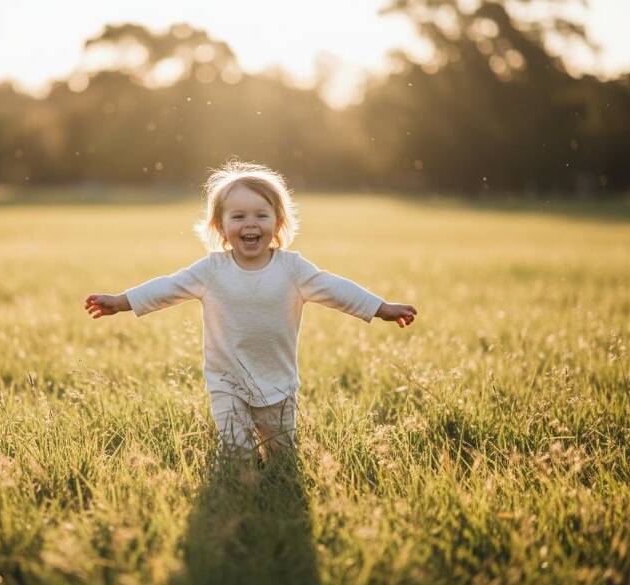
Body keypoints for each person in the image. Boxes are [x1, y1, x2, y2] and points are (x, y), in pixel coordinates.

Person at [84, 160, 417, 463]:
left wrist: (380, 308)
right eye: (238, 216)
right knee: (236, 451)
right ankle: (234, 491)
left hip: (279, 382)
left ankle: (278, 487)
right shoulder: (211, 271)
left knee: (281, 455)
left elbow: (336, 290)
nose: (250, 224)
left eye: (261, 215)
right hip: (226, 381)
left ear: (278, 221)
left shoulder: (293, 269)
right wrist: (122, 301)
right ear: (220, 226)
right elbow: (167, 288)